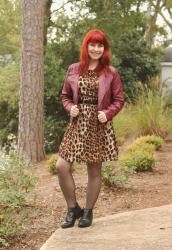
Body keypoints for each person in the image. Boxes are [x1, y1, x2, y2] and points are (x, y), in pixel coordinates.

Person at [56, 29, 124, 228]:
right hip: (77, 123)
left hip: (98, 124)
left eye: (100, 45)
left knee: (94, 169)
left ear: (105, 49)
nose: (96, 49)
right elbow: (65, 96)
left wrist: (108, 113)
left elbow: (119, 99)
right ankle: (72, 208)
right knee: (62, 166)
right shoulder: (74, 69)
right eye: (92, 45)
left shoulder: (111, 73)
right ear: (86, 47)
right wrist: (70, 108)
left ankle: (87, 212)